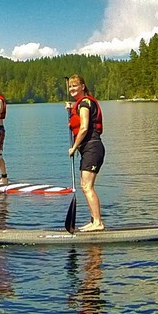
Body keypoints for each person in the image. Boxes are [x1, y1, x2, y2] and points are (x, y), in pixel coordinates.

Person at [67, 74, 105, 232]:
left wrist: (74, 147)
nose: (72, 89)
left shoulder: (85, 103)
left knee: (87, 186)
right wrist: (71, 109)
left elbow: (83, 128)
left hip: (92, 148)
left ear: (83, 86)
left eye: (75, 86)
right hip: (89, 148)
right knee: (85, 186)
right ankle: (94, 220)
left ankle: (98, 223)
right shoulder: (81, 103)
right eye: (70, 86)